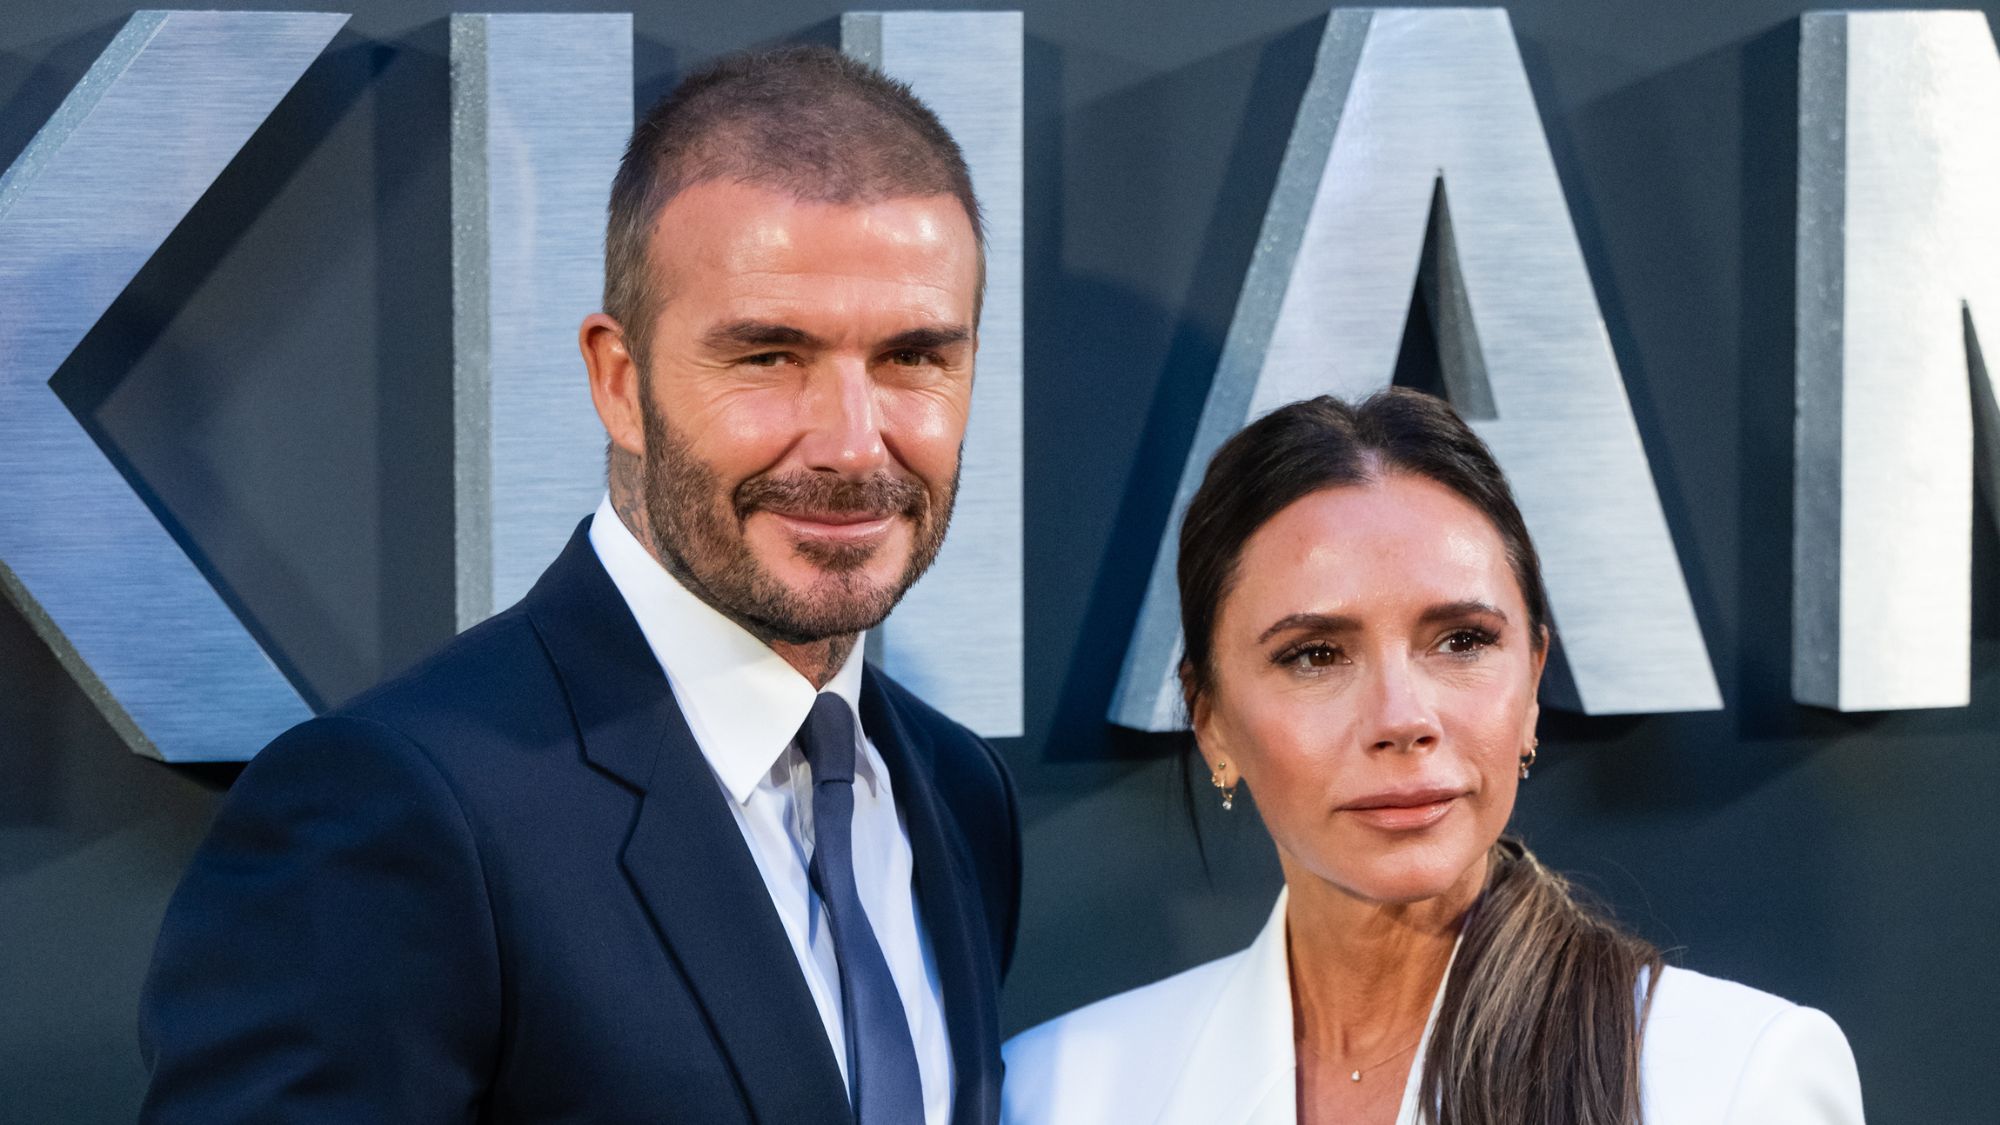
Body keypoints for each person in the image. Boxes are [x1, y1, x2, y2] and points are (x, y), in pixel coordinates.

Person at [139, 47, 1019, 1125]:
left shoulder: (956, 792)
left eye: (913, 358)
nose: (850, 443)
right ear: (619, 380)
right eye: (768, 356)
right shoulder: (398, 811)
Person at [1001, 390, 1863, 1125]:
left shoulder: (1736, 1080)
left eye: (1461, 640)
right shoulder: (1061, 1090)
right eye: (1315, 654)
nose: (1402, 718)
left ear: (1532, 683)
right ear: (1211, 719)